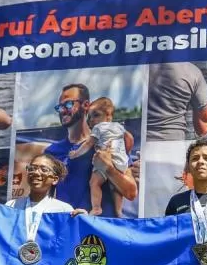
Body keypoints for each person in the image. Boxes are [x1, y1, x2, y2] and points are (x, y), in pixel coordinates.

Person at [14, 84, 138, 217]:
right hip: (65, 228)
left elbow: (130, 193)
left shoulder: (107, 145)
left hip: (99, 231)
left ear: (85, 105)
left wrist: (108, 167)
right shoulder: (52, 152)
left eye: (68, 105)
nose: (62, 110)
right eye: (59, 107)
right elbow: (40, 197)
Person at [68, 98, 130, 216]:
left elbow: (88, 144)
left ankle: (96, 207)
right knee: (115, 188)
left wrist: (76, 153)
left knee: (94, 183)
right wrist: (125, 150)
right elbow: (129, 138)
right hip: (121, 161)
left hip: (105, 160)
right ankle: (118, 211)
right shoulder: (118, 126)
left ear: (108, 116)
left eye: (96, 115)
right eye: (89, 117)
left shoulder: (98, 128)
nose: (92, 120)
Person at [146, 62, 207, 141]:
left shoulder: (135, 69)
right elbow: (206, 117)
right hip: (173, 143)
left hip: (139, 144)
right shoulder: (191, 71)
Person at [5, 155, 87, 216]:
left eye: (44, 169)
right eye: (32, 168)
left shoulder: (64, 210)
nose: (36, 173)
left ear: (55, 179)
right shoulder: (11, 206)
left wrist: (84, 221)